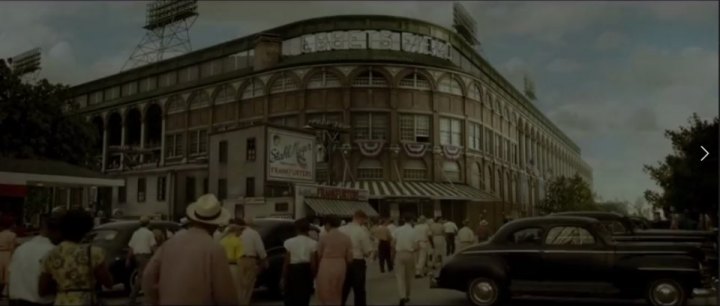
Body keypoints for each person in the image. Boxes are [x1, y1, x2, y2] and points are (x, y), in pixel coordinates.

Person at [141, 194, 237, 305]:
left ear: (192, 219)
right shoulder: (215, 249)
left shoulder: (169, 244)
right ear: (215, 225)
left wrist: (155, 299)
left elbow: (148, 275)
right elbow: (225, 293)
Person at [38, 209, 114, 306]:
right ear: (86, 230)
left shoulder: (51, 255)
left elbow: (42, 290)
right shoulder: (93, 252)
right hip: (85, 301)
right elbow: (108, 283)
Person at [8, 215, 61, 306]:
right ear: (55, 231)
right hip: (41, 301)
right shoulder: (53, 251)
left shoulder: (22, 248)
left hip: (16, 299)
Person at [316, 215, 352, 306]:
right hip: (340, 264)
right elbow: (349, 257)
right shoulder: (346, 238)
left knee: (325, 290)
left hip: (326, 264)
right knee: (337, 290)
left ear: (328, 224)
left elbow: (319, 254)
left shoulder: (323, 237)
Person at [339, 211, 374, 306]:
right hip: (357, 262)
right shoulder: (362, 231)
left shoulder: (341, 229)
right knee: (359, 290)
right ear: (361, 218)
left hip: (343, 261)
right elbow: (367, 251)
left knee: (343, 289)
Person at [281, 219, 318, 306]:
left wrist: (283, 277)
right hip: (306, 270)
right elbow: (313, 263)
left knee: (290, 296)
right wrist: (314, 275)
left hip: (293, 270)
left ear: (296, 229)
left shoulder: (288, 242)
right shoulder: (313, 243)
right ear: (308, 229)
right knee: (304, 297)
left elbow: (287, 261)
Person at [127, 216, 157, 305]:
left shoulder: (135, 233)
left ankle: (135, 298)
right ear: (148, 224)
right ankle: (134, 298)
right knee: (144, 277)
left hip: (137, 256)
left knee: (141, 276)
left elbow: (131, 248)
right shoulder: (149, 233)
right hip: (146, 256)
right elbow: (153, 247)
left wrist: (128, 259)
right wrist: (157, 255)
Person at [237, 218, 267, 305]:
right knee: (248, 286)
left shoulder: (233, 233)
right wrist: (264, 260)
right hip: (250, 260)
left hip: (237, 261)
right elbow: (260, 249)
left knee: (238, 286)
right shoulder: (254, 233)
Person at [391, 214, 419, 306]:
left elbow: (392, 244)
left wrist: (393, 254)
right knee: (409, 276)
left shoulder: (397, 230)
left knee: (400, 277)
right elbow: (416, 246)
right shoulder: (414, 231)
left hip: (399, 254)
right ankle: (407, 295)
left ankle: (402, 296)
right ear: (411, 221)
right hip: (409, 254)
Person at [219, 224, 244, 302]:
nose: (241, 233)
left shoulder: (222, 241)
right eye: (240, 230)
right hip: (234, 267)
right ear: (235, 231)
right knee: (237, 291)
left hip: (223, 268)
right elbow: (239, 259)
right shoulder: (238, 241)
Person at [0, 216, 17, 296]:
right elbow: (12, 248)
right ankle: (5, 292)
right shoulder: (12, 235)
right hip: (7, 254)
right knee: (7, 274)